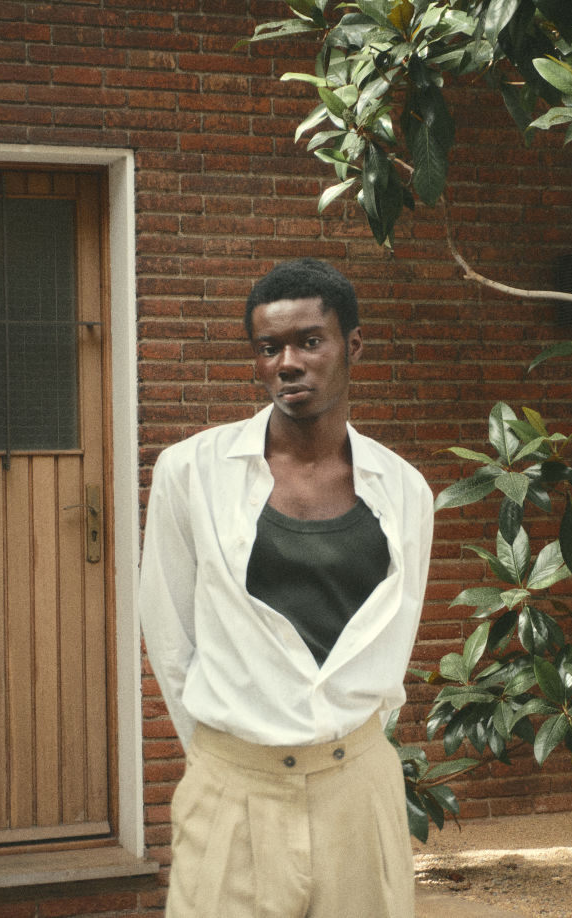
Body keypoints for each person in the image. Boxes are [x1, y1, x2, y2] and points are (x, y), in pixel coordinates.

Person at [138, 258, 434, 918]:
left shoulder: (404, 489)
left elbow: (394, 641)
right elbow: (169, 634)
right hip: (232, 789)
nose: (287, 363)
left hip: (358, 790)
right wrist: (229, 755)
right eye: (268, 348)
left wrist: (340, 749)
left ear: (352, 345)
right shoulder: (190, 472)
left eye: (309, 341)